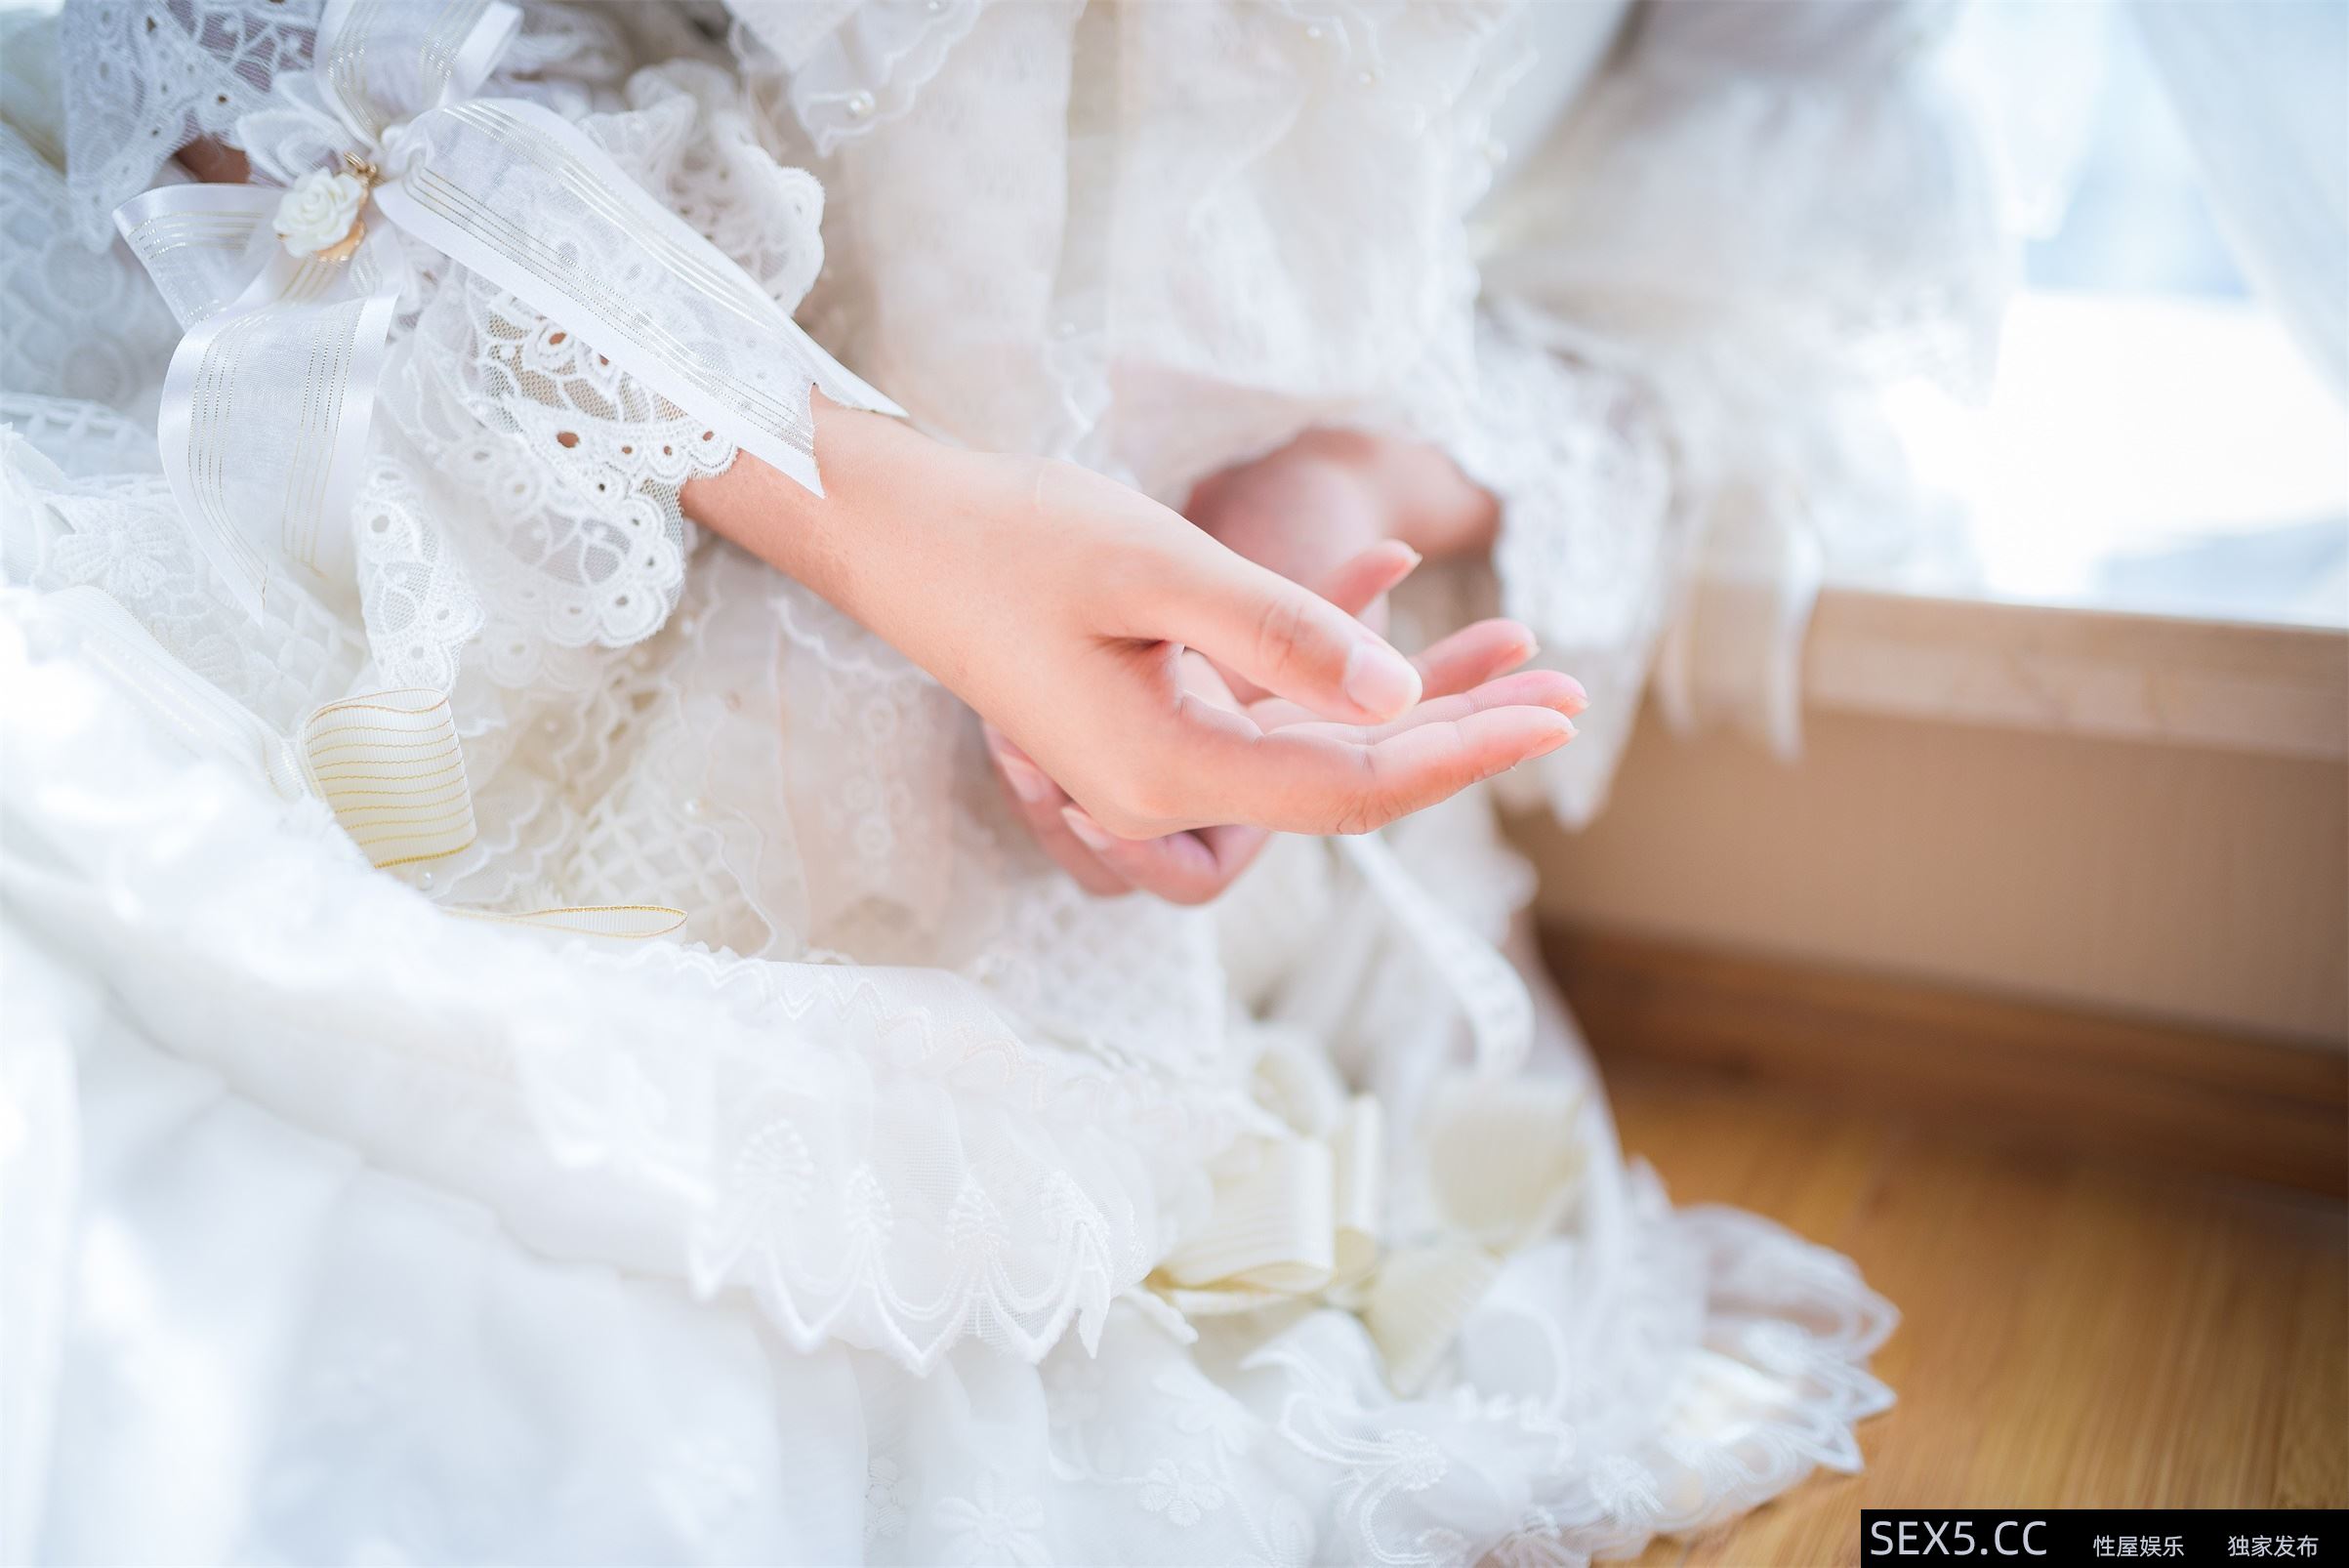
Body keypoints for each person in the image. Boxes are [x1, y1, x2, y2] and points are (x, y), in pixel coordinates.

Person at [2, 1, 1998, 1560]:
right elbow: (256, 70)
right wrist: (896, 515)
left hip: (1233, 869)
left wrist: (1337, 491)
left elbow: (1754, 239)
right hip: (543, 569)